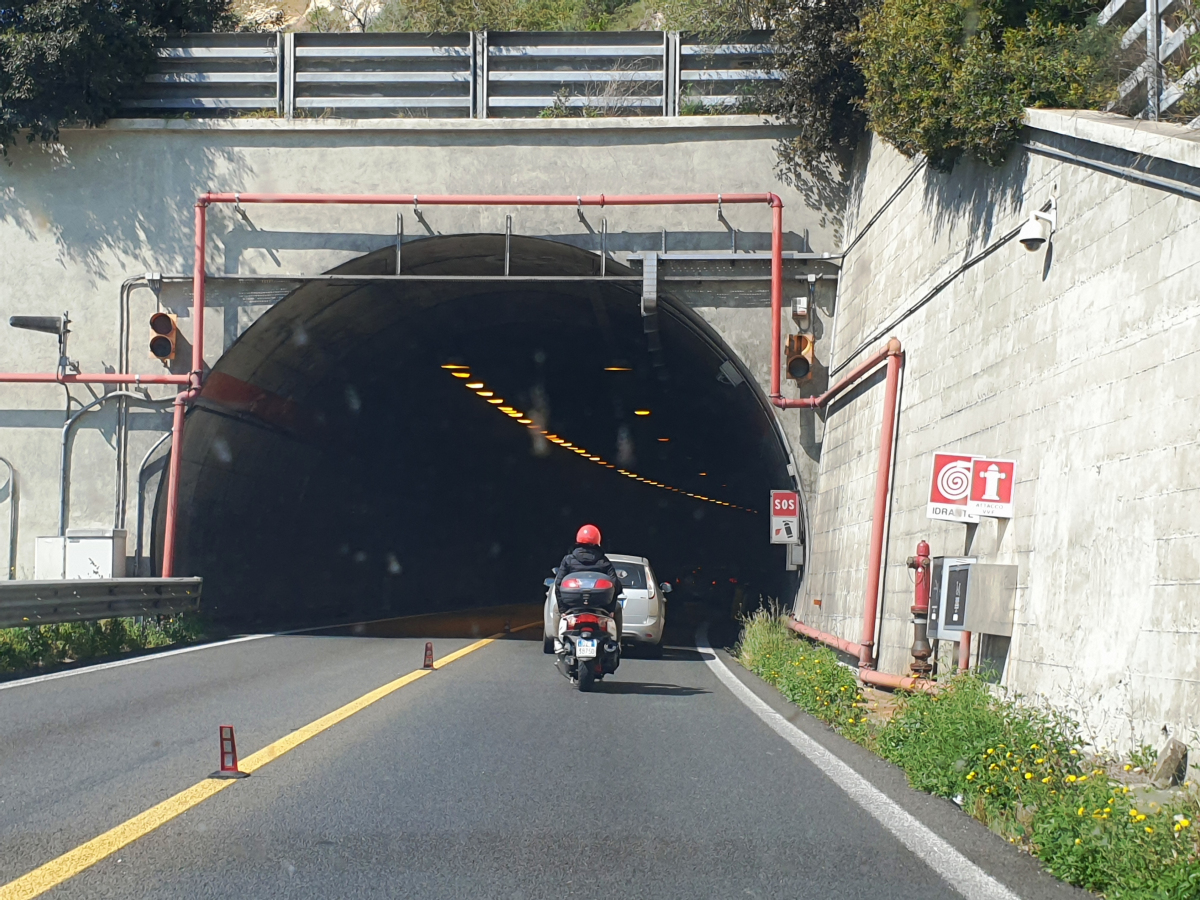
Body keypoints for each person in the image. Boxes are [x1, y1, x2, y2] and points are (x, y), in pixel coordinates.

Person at [554, 524, 623, 636]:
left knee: (555, 609)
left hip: (572, 607)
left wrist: (563, 610)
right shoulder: (604, 561)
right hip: (600, 607)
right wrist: (610, 609)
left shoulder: (568, 560)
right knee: (618, 608)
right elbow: (615, 585)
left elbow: (558, 584)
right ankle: (617, 642)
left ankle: (557, 641)